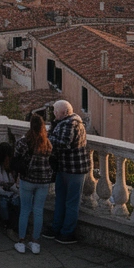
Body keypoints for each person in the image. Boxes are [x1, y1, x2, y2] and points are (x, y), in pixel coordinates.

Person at [45, 100, 88, 245]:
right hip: (66, 168)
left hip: (73, 169)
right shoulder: (67, 122)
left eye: (55, 112)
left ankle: (66, 232)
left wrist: (45, 139)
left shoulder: (70, 124)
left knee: (70, 202)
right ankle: (59, 229)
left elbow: (62, 144)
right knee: (62, 199)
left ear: (63, 112)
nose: (54, 114)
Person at [13, 115, 54, 254]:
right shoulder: (47, 143)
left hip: (28, 179)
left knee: (25, 210)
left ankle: (21, 241)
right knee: (38, 211)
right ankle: (35, 242)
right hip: (43, 181)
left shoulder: (24, 142)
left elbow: (16, 157)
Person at [0, 141, 19, 230]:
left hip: (13, 191)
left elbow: (16, 182)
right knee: (3, 203)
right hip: (2, 191)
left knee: (15, 202)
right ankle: (6, 223)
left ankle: (14, 224)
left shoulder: (13, 167)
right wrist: (3, 184)